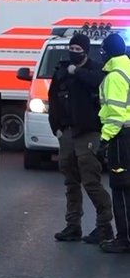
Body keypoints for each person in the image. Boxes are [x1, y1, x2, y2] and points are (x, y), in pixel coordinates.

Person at [48, 32, 114, 243]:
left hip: (89, 132)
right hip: (67, 132)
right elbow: (53, 99)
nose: (74, 52)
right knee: (70, 181)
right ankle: (72, 225)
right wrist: (56, 128)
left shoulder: (96, 70)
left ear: (85, 51)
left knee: (90, 180)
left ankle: (104, 226)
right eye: (72, 49)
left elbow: (98, 83)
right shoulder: (61, 71)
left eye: (78, 50)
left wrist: (77, 71)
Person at [97, 32, 130, 253]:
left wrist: (104, 139)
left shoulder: (114, 76)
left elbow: (116, 115)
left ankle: (123, 239)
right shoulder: (126, 68)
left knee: (120, 188)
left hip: (121, 138)